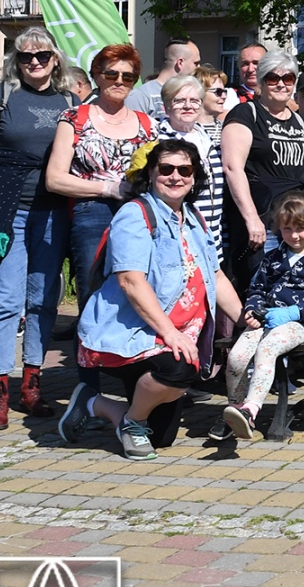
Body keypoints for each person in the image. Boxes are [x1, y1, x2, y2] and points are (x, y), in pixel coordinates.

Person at [63, 139, 243, 460]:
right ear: (150, 173)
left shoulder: (194, 218)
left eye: (185, 170)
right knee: (180, 369)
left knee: (161, 438)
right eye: (166, 168)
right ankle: (133, 421)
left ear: (194, 177)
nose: (176, 176)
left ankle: (94, 402)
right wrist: (170, 333)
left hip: (173, 337)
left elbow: (215, 277)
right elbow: (131, 281)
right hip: (138, 334)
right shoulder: (135, 215)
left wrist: (245, 321)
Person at [0, 26, 75, 429]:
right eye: (25, 56)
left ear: (54, 59)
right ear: (16, 59)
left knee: (44, 302)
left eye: (42, 55)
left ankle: (31, 387)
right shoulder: (0, 96)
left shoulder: (70, 101)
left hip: (52, 212)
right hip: (5, 209)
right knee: (5, 302)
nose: (34, 62)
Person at [218, 190, 304, 441]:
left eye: (300, 228)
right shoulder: (273, 257)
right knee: (236, 357)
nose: (294, 236)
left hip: (302, 322)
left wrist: (293, 312)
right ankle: (234, 411)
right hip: (267, 317)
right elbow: (257, 289)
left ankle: (251, 410)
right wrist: (253, 310)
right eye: (287, 229)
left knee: (268, 348)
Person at [46, 44, 156, 328]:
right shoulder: (75, 118)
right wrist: (107, 188)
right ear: (96, 76)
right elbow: (54, 178)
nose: (119, 81)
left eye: (127, 77)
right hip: (92, 213)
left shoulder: (148, 125)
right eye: (111, 74)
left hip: (138, 216)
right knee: (93, 294)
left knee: (139, 291)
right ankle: (88, 356)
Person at [220, 50, 304, 289]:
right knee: (261, 287)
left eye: (288, 78)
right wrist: (251, 218)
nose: (281, 84)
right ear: (262, 82)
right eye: (273, 78)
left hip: (297, 220)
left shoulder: (300, 120)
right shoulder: (246, 114)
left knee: (296, 288)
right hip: (263, 219)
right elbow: (232, 168)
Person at [155, 75, 226, 254]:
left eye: (194, 100)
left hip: (213, 240)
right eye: (179, 100)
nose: (188, 106)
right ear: (167, 106)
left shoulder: (207, 138)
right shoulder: (158, 139)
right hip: (178, 241)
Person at [126, 38, 200, 122]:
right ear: (180, 63)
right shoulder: (141, 96)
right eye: (196, 63)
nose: (199, 67)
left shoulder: (192, 95)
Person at [197, 64, 233, 133]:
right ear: (200, 93)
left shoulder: (227, 129)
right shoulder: (188, 131)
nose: (224, 96)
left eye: (224, 91)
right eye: (218, 91)